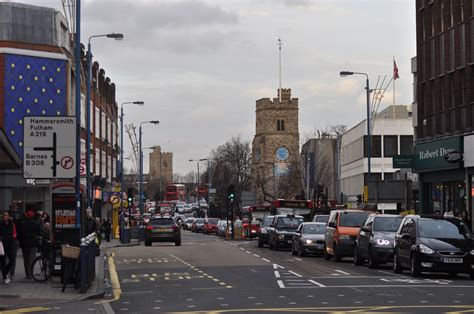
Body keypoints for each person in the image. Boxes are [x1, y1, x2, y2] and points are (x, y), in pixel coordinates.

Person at [17, 210, 41, 279]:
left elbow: (19, 233)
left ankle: (27, 274)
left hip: (24, 243)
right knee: (32, 259)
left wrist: (20, 241)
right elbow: (40, 232)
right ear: (32, 216)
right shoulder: (36, 223)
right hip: (33, 243)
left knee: (26, 259)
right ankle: (31, 274)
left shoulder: (22, 223)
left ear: (27, 215)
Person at [0, 211, 17, 284]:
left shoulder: (12, 224)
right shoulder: (0, 224)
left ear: (9, 216)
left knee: (12, 260)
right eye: (4, 215)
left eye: (6, 215)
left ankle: (5, 272)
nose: (5, 216)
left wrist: (13, 237)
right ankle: (5, 277)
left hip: (10, 243)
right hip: (2, 244)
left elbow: (15, 232)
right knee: (3, 262)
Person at [7, 204, 21, 280]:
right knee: (13, 257)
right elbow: (20, 229)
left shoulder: (6, 215)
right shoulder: (19, 216)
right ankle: (12, 273)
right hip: (15, 239)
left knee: (5, 257)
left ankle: (6, 272)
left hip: (6, 239)